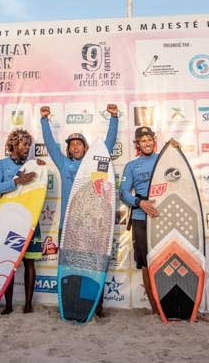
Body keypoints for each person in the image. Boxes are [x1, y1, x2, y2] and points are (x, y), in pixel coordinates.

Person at [40, 103, 118, 317]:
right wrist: (44, 120)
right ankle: (70, 303)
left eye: (79, 144)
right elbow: (50, 145)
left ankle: (96, 306)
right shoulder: (64, 164)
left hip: (91, 225)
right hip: (69, 226)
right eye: (72, 145)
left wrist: (114, 118)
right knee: (69, 267)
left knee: (93, 265)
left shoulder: (95, 164)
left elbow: (108, 145)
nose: (75, 147)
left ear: (85, 147)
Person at [0, 128, 47, 314]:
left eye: (29, 145)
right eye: (24, 144)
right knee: (8, 262)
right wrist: (16, 181)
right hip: (8, 220)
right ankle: (8, 305)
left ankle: (28, 304)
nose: (27, 148)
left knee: (30, 262)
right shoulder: (1, 164)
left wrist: (39, 167)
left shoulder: (33, 164)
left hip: (30, 219)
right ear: (13, 144)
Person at [119, 126, 161, 314]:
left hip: (162, 217)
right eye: (143, 141)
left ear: (154, 140)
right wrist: (139, 202)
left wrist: (175, 150)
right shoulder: (131, 166)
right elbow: (122, 193)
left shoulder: (163, 159)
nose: (147, 143)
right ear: (138, 144)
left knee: (164, 259)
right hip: (140, 219)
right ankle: (155, 308)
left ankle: (166, 303)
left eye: (149, 139)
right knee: (146, 264)